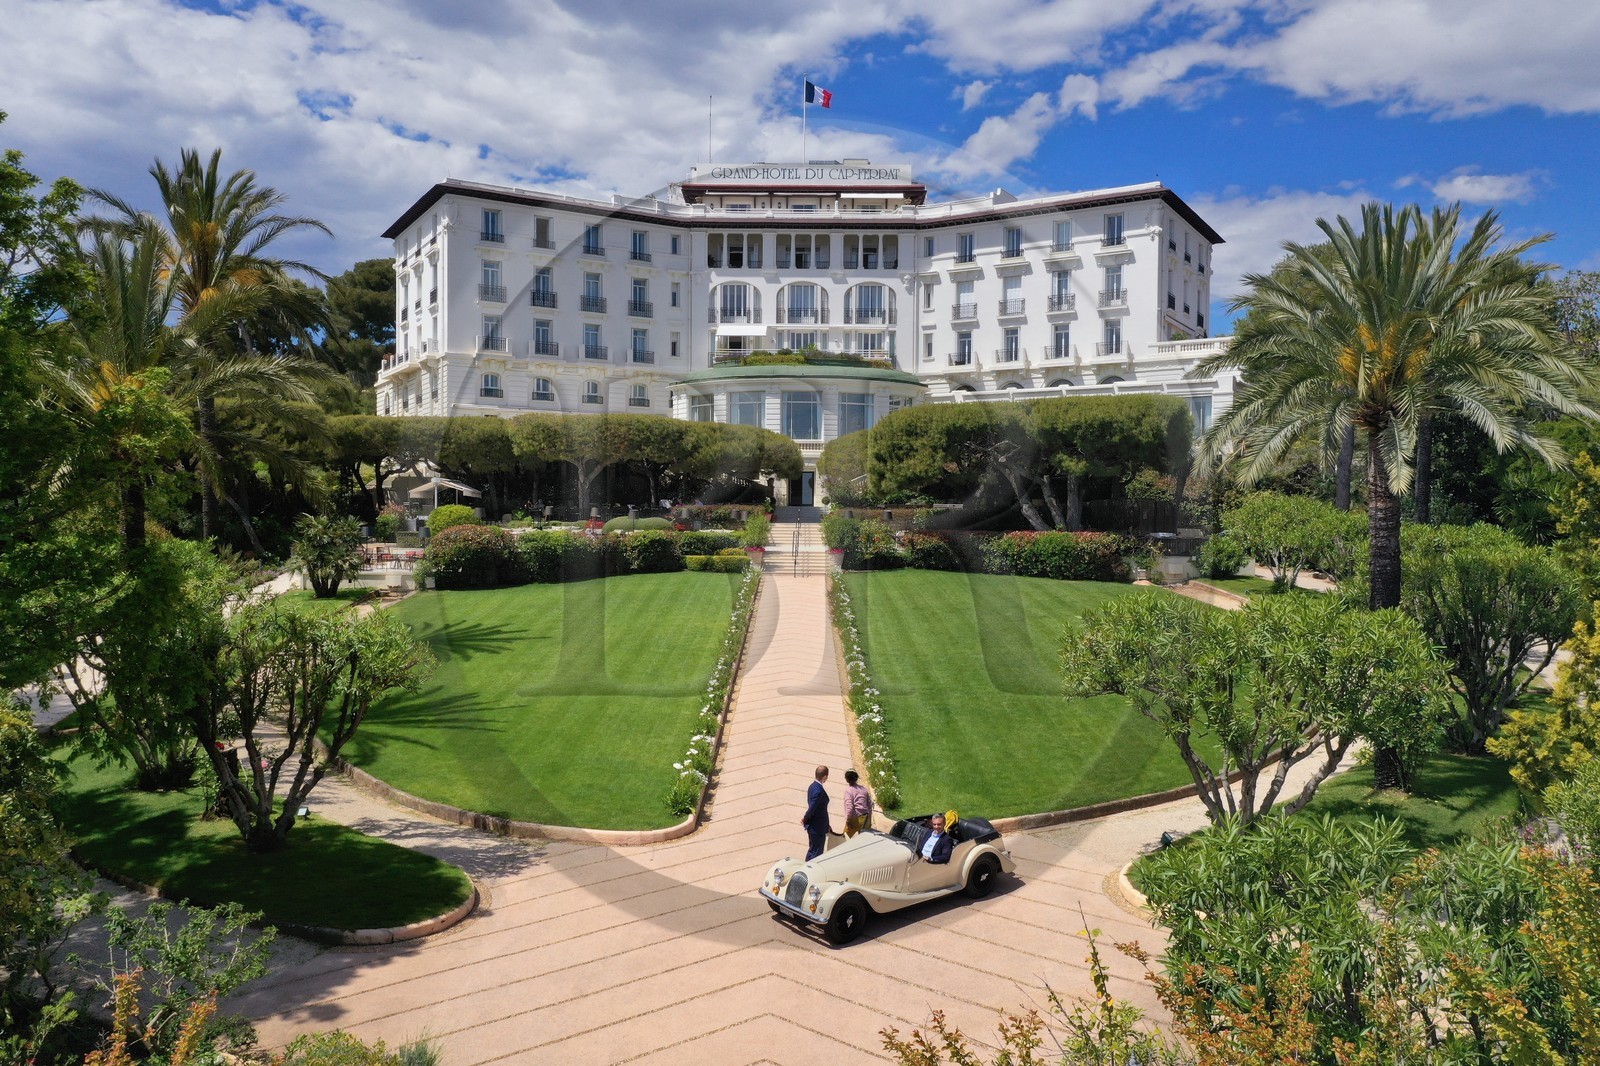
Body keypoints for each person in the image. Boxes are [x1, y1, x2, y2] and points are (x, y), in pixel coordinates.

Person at [801, 765, 831, 860]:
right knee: (816, 853)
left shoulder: (812, 786)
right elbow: (812, 808)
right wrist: (805, 819)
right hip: (817, 828)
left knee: (813, 849)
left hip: (816, 826)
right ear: (825, 777)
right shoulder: (819, 791)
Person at [842, 769, 873, 837]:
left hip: (855, 819)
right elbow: (870, 805)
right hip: (865, 817)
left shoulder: (848, 791)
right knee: (863, 840)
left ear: (847, 779)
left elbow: (849, 808)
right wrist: (869, 819)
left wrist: (848, 821)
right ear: (856, 778)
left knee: (844, 838)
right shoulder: (863, 789)